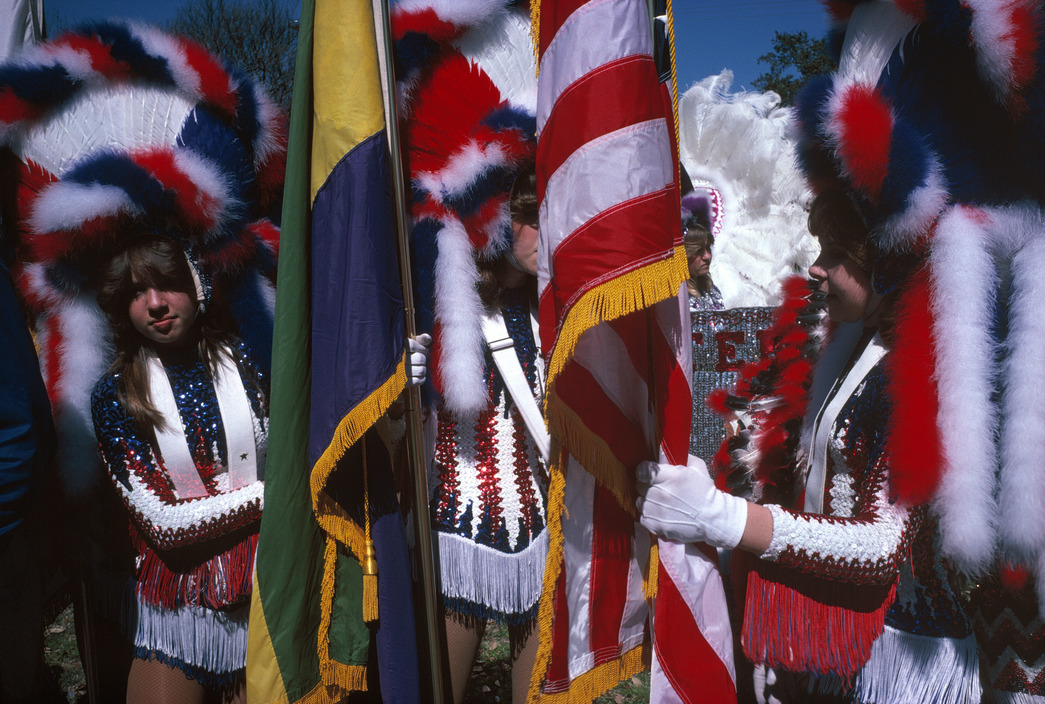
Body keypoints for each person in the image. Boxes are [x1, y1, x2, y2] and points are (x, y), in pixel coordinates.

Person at [637, 190, 980, 703]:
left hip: (902, 660)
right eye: (820, 250)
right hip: (840, 648)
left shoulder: (923, 368)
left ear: (887, 262)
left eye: (837, 254)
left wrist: (725, 519)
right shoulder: (852, 340)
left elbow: (883, 547)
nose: (817, 269)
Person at [90, 235, 267, 703]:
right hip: (178, 614)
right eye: (134, 293)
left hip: (267, 594)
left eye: (167, 284)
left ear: (198, 281)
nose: (153, 304)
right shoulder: (115, 395)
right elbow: (166, 526)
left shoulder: (251, 360)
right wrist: (276, 493)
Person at [430, 162, 547, 704]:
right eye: (527, 217)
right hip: (460, 533)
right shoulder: (444, 306)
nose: (544, 229)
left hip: (545, 530)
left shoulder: (554, 303)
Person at [682, 191, 724, 312]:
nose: (707, 256)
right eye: (699, 251)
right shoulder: (675, 300)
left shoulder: (712, 291)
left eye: (708, 248)